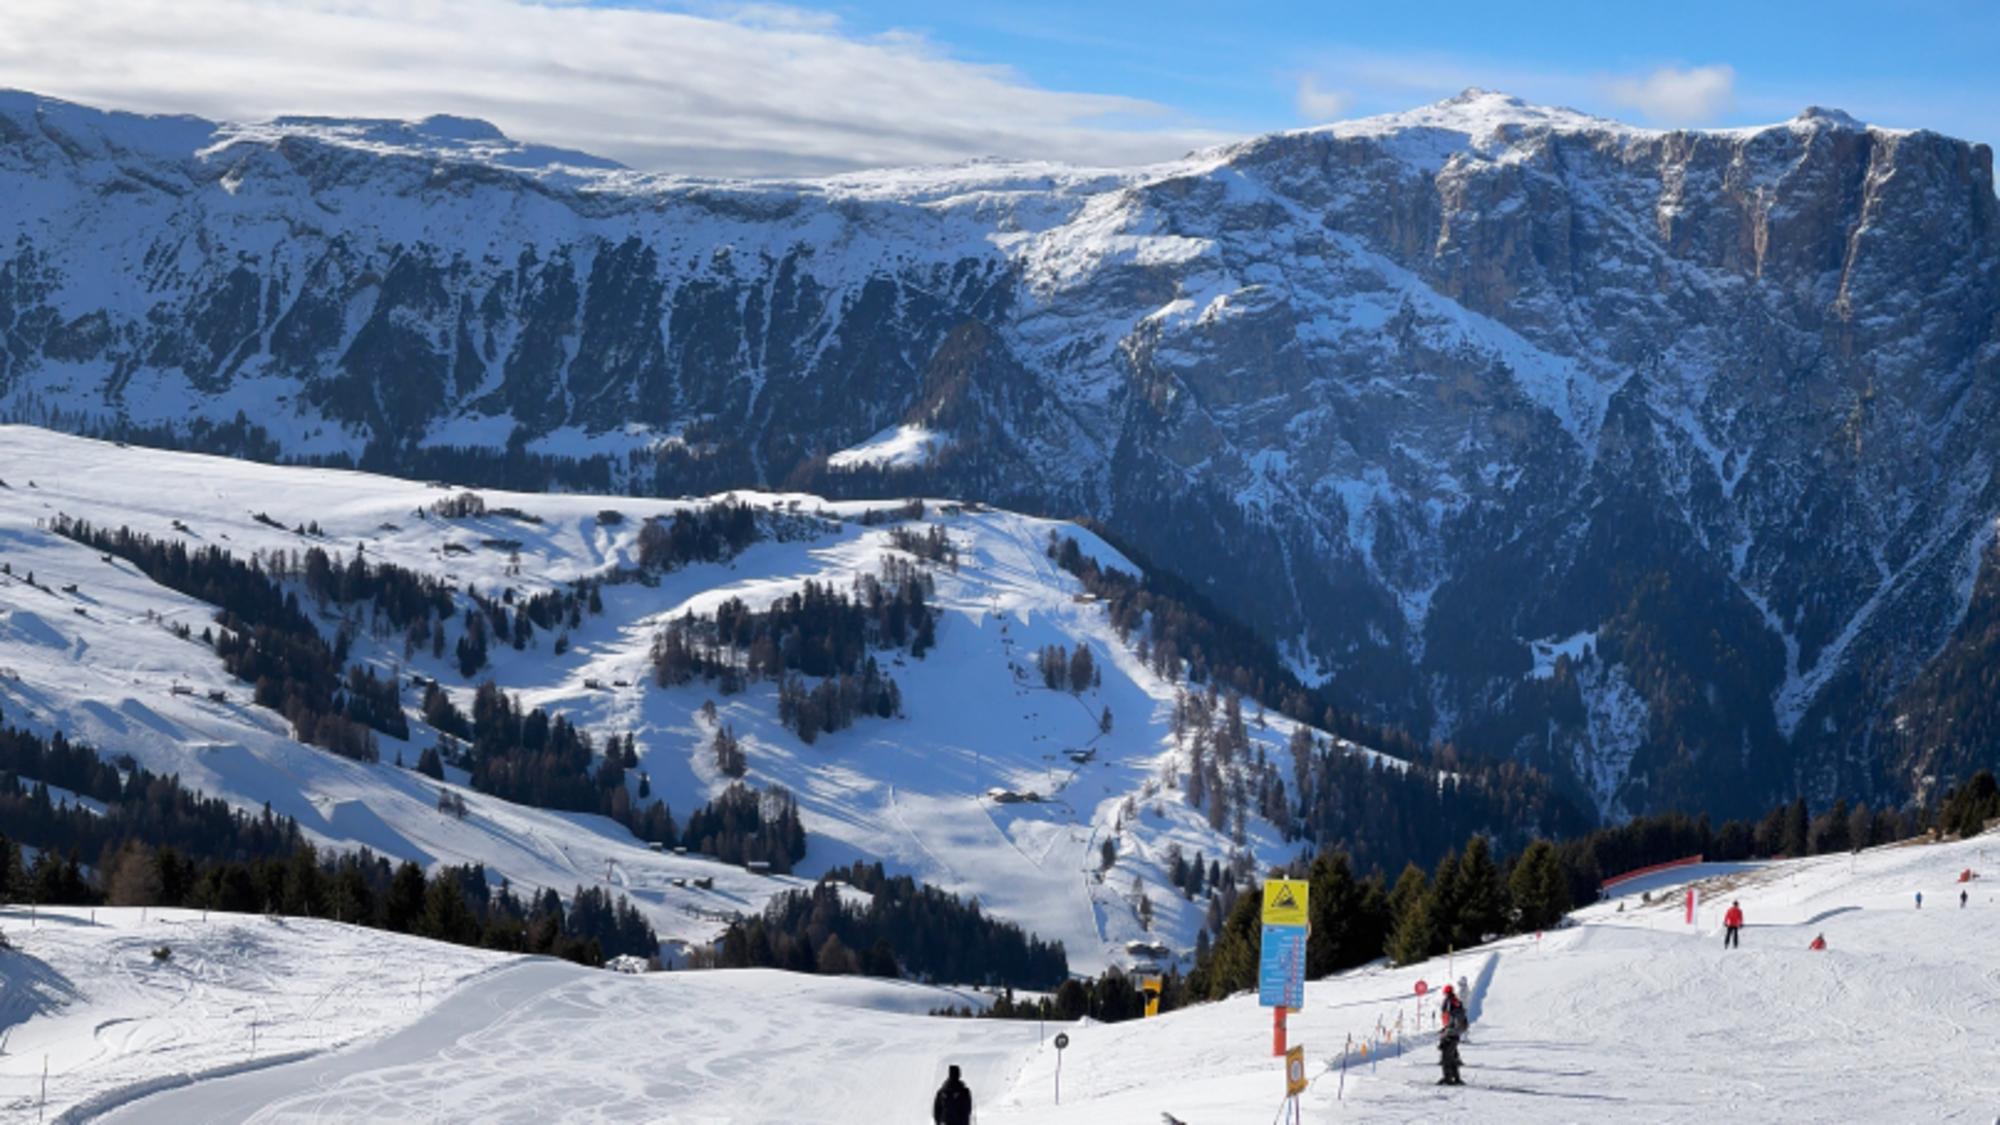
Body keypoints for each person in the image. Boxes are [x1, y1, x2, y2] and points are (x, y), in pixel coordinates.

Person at [1437, 1021, 1465, 1086]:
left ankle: (1449, 1078)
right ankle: (1454, 1077)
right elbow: (1451, 1025)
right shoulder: (1454, 1013)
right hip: (1450, 1037)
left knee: (1447, 1058)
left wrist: (1446, 1032)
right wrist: (1444, 1030)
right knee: (1451, 1058)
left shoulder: (1457, 1013)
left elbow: (1457, 1028)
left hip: (1452, 1038)